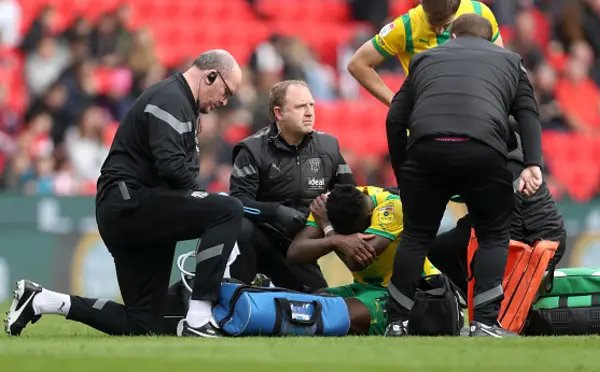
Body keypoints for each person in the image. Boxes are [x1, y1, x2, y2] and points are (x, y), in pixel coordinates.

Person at [5, 50, 244, 339]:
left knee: (143, 324)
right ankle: (199, 316)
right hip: (130, 202)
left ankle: (42, 300)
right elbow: (170, 166)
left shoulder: (182, 103)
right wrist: (206, 202)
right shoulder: (171, 98)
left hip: (133, 208)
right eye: (226, 92)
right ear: (210, 76)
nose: (224, 101)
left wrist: (202, 203)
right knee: (228, 209)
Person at [384, 14, 543, 338]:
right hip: (484, 151)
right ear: (489, 39)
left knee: (416, 236)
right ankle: (483, 323)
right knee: (492, 235)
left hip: (426, 151)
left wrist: (404, 170)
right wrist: (533, 163)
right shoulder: (511, 61)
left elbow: (394, 120)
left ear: (453, 37)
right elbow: (528, 113)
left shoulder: (424, 59)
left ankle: (397, 323)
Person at [230, 80, 356, 293]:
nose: (309, 113)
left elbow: (350, 194)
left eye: (312, 105)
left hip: (298, 249)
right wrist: (276, 212)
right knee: (240, 227)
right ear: (279, 113)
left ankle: (270, 286)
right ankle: (238, 293)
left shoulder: (328, 147)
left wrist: (328, 226)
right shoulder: (251, 150)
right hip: (258, 241)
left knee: (320, 302)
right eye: (300, 107)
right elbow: (238, 203)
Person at [287, 184, 440, 335]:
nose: (350, 238)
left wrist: (330, 232)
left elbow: (356, 262)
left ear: (368, 215)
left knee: (341, 314)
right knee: (311, 303)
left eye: (353, 232)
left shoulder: (391, 207)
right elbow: (295, 252)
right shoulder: (330, 207)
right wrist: (334, 238)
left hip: (408, 291)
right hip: (366, 288)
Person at [429, 133, 568, 296]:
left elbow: (509, 221)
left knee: (447, 251)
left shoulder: (509, 160)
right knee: (438, 250)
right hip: (497, 222)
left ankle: (492, 305)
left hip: (536, 237)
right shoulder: (482, 143)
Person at [347, 0, 504, 106]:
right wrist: (396, 103)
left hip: (475, 117)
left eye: (448, 25)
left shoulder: (480, 12)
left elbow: (501, 65)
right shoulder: (406, 27)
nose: (441, 31)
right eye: (432, 23)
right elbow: (357, 64)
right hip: (425, 128)